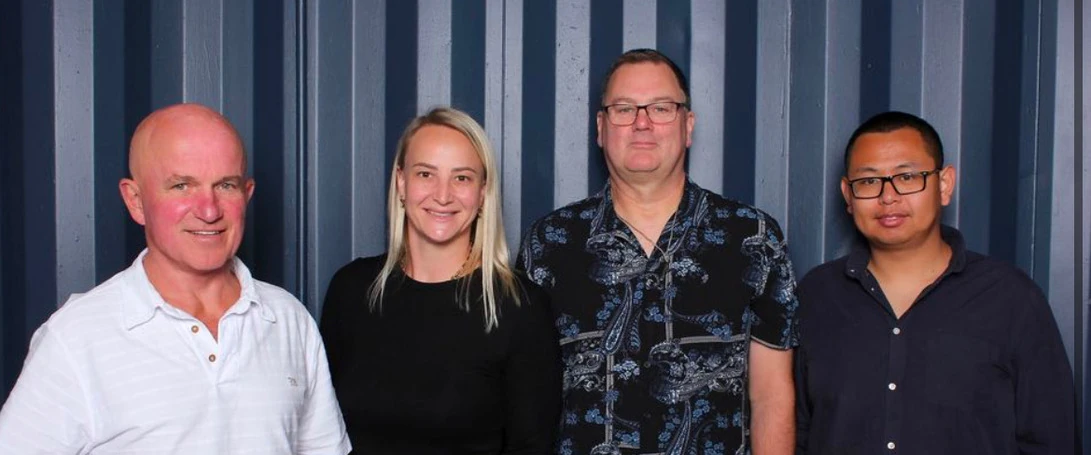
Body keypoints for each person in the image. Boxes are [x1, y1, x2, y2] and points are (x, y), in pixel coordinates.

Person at [0, 103, 350, 453]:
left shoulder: (289, 319)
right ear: (135, 200)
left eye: (226, 185)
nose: (209, 210)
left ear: (247, 193)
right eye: (182, 186)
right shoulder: (76, 337)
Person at [518, 49, 798, 455]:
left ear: (688, 125)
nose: (643, 123)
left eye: (662, 108)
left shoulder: (752, 238)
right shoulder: (550, 242)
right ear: (601, 127)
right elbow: (527, 400)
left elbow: (772, 397)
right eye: (624, 109)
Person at [794, 111, 1076, 454]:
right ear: (848, 195)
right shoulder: (817, 296)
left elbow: (1051, 439)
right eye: (869, 182)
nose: (888, 197)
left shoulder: (1011, 298)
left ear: (944, 185)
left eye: (908, 177)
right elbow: (797, 431)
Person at [320, 106, 561, 454]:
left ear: (482, 193)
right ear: (401, 182)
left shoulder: (520, 307)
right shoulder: (351, 291)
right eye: (425, 174)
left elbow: (531, 447)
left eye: (461, 177)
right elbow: (322, 432)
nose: (443, 195)